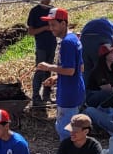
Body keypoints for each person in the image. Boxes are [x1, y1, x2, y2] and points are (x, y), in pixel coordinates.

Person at [35, 8, 85, 139]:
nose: (51, 28)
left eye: (54, 25)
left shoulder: (67, 43)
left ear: (63, 23)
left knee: (65, 131)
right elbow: (80, 68)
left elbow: (70, 70)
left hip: (69, 93)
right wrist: (57, 77)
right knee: (69, 127)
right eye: (49, 25)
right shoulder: (74, 38)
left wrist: (48, 67)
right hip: (75, 90)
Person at [26, 0, 58, 109]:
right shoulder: (35, 11)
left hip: (52, 44)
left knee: (49, 70)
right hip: (41, 46)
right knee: (40, 70)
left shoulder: (53, 10)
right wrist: (45, 28)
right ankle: (35, 97)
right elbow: (31, 32)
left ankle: (46, 96)